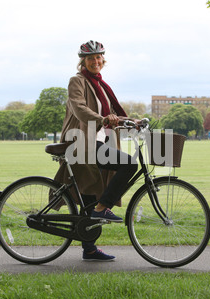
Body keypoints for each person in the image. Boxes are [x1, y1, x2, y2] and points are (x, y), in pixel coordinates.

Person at [53, 40, 139, 261]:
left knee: (88, 197)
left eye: (98, 57)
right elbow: (80, 109)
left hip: (96, 142)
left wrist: (132, 121)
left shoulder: (101, 86)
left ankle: (89, 249)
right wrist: (103, 119)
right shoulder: (77, 81)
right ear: (83, 61)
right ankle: (103, 208)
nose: (95, 61)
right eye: (90, 58)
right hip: (81, 142)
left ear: (103, 59)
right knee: (129, 164)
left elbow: (112, 115)